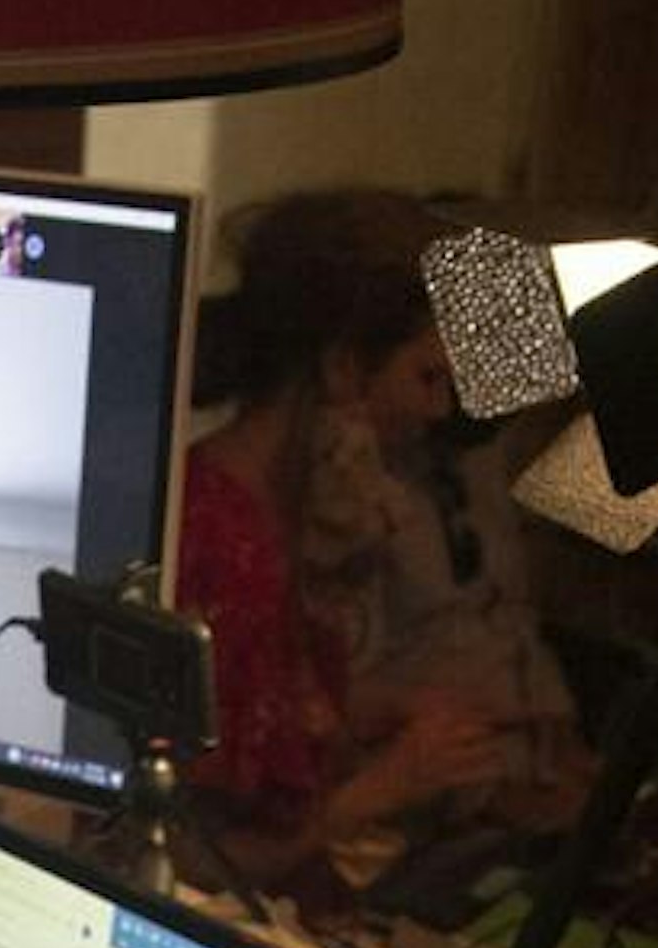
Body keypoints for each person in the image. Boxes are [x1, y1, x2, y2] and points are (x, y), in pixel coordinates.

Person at [181, 190, 588, 884]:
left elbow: (268, 714)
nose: (439, 409)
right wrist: (391, 785)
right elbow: (192, 858)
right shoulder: (218, 543)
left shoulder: (291, 518)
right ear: (341, 366)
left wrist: (379, 710)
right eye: (425, 377)